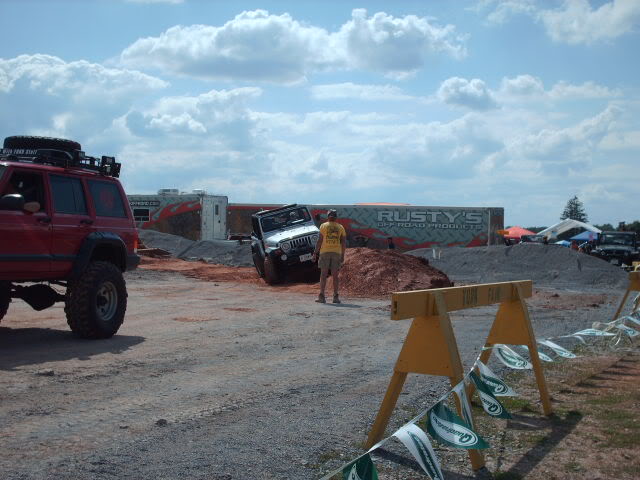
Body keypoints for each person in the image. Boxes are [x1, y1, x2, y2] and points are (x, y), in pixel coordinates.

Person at [312, 209, 346, 304]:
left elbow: (319, 241)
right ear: (336, 217)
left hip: (325, 252)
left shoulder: (323, 226)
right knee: (335, 276)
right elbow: (343, 242)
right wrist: (343, 255)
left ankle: (322, 296)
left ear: (328, 217)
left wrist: (315, 253)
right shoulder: (340, 227)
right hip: (336, 253)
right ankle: (335, 297)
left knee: (323, 275)